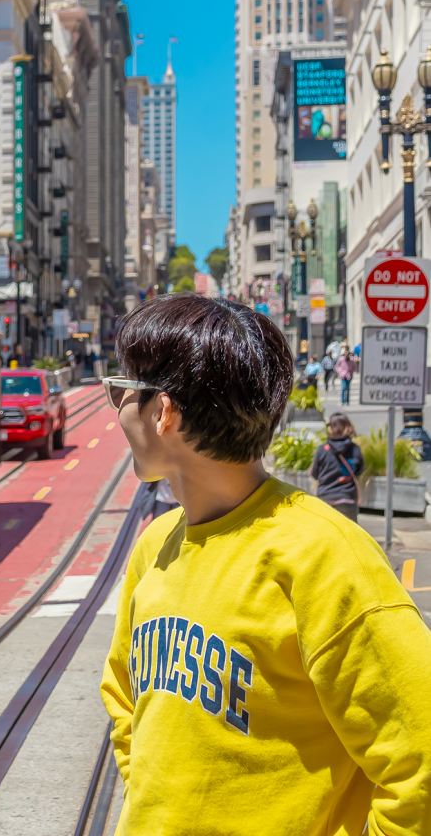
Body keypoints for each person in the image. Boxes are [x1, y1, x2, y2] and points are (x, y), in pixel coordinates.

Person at [101, 293, 431, 836]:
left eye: (123, 393)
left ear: (163, 412)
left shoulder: (324, 558)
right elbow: (123, 696)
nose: (118, 412)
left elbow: (419, 759)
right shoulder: (155, 544)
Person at [311, 412, 364, 522]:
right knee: (349, 536)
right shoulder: (355, 449)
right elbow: (359, 471)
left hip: (325, 500)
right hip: (347, 499)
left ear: (331, 428)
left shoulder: (323, 450)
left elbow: (315, 474)